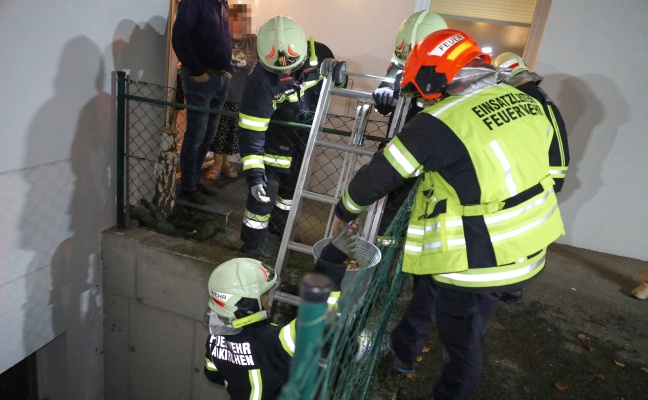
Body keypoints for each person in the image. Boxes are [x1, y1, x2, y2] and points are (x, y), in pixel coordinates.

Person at [332, 29, 566, 399]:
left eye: (424, 93)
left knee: (463, 345)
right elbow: (553, 168)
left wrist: (344, 210)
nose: (425, 101)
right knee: (432, 294)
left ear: (437, 80)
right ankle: (404, 352)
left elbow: (379, 175)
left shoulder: (438, 122)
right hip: (530, 241)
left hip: (480, 257)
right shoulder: (524, 99)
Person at [237, 15, 347, 260]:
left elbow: (336, 84)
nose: (285, 70)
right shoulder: (260, 81)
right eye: (278, 68)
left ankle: (280, 231)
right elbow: (251, 131)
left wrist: (339, 75)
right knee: (262, 200)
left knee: (288, 198)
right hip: (272, 150)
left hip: (303, 147)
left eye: (290, 66)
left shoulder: (321, 54)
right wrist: (255, 177)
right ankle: (252, 246)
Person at [203, 228, 358, 398]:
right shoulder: (269, 342)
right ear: (244, 304)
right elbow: (319, 322)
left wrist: (241, 382)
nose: (269, 299)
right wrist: (330, 263)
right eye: (264, 295)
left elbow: (212, 373)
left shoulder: (214, 338)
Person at [492, 52, 570, 303]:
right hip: (540, 176)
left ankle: (510, 286)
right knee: (522, 233)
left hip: (530, 178)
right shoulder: (539, 97)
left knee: (515, 233)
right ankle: (512, 285)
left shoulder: (525, 98)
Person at [371, 10, 448, 247]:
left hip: (426, 160)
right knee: (388, 215)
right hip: (397, 149)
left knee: (419, 218)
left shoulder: (448, 77)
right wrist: (382, 102)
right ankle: (382, 263)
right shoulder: (397, 66)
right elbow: (384, 106)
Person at [172, 0, 232, 205]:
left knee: (207, 135)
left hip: (219, 78)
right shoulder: (196, 1)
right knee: (196, 134)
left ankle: (194, 182)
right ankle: (188, 187)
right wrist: (197, 71)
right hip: (200, 78)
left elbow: (222, 39)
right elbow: (180, 36)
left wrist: (228, 70)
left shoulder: (221, 4)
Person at [206, 3, 256, 181]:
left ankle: (225, 163)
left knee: (232, 133)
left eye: (243, 19)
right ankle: (216, 164)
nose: (239, 22)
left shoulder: (253, 42)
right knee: (218, 131)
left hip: (242, 96)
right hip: (221, 92)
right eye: (235, 18)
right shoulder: (222, 38)